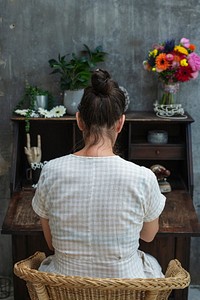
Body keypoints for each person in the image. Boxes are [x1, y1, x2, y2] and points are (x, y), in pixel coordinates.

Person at [32, 69, 166, 278]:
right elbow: (148, 236)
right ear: (120, 123)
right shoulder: (143, 177)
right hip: (125, 288)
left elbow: (51, 243)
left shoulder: (51, 171)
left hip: (66, 287)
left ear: (79, 120)